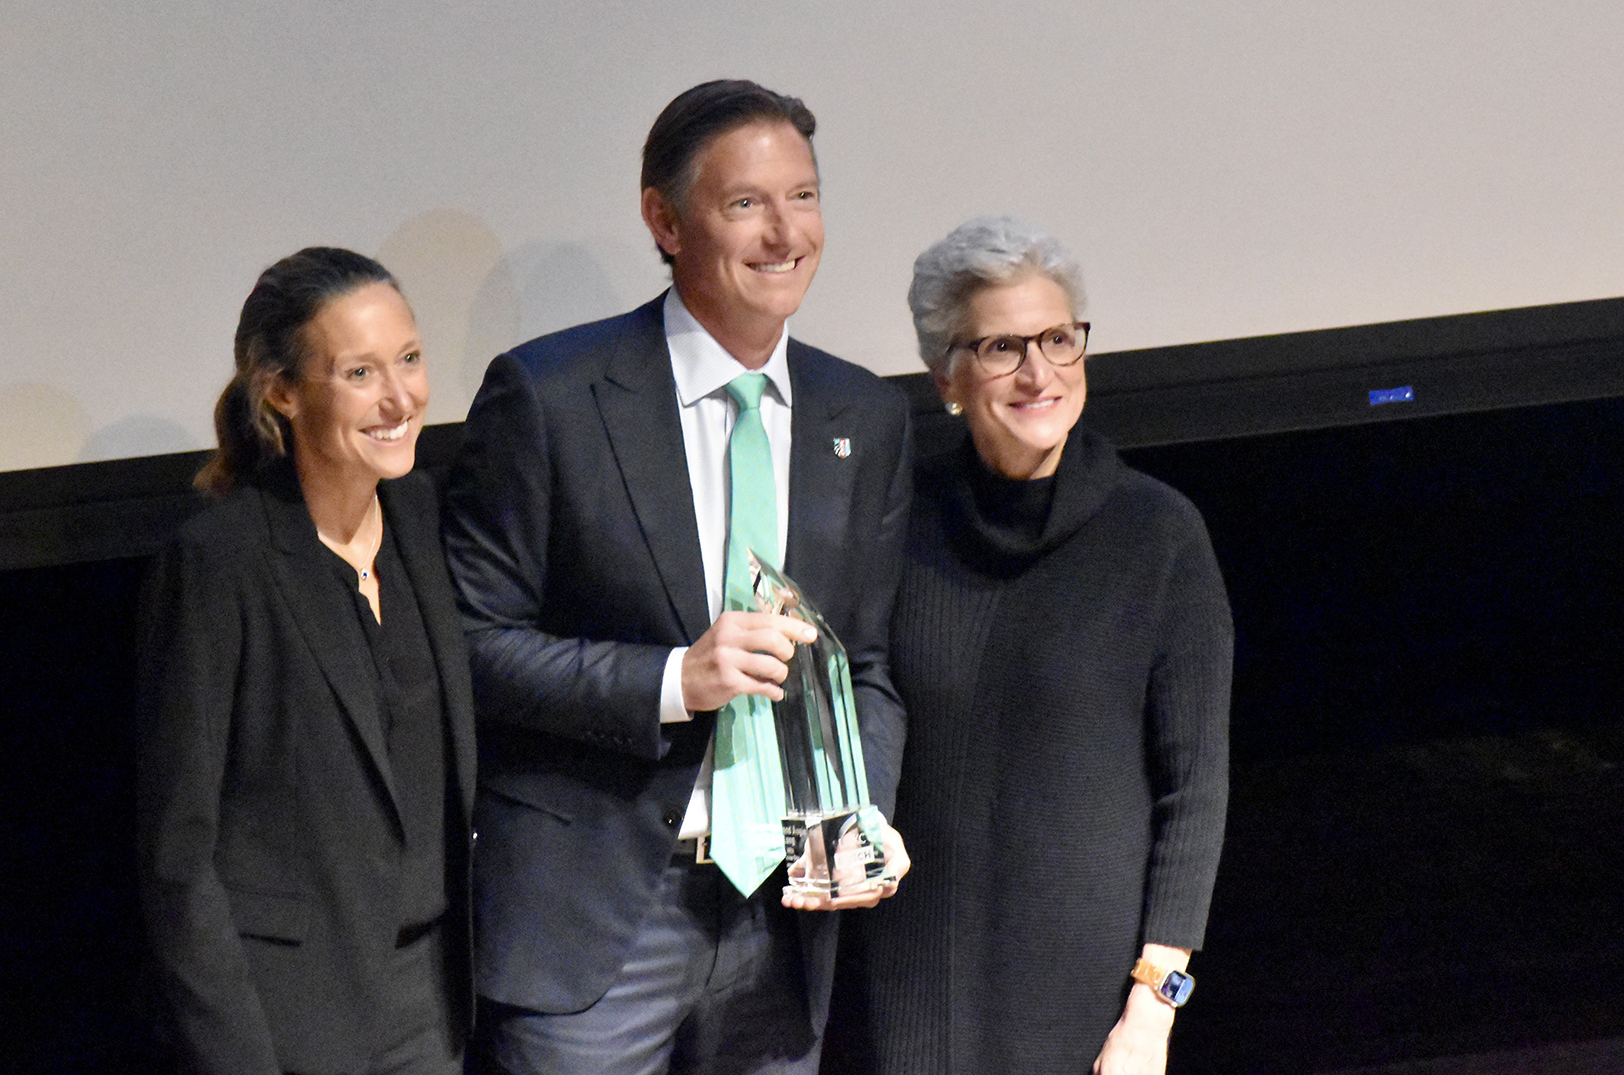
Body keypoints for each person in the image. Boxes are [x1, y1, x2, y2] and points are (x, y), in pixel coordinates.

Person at [442, 80, 912, 1075]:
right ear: (663, 218)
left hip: (782, 914)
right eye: (745, 203)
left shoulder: (858, 415)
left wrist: (855, 808)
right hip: (600, 914)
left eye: (805, 196)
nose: (786, 233)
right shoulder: (552, 396)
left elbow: (862, 662)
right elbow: (471, 646)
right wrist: (672, 680)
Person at [824, 216, 1232, 1075]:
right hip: (912, 973)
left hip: (1091, 1000)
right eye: (1004, 346)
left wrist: (1152, 1013)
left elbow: (1194, 792)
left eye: (1058, 338)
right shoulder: (895, 521)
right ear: (947, 376)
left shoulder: (1158, 534)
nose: (1040, 371)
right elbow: (858, 705)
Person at [136, 247, 476, 1075]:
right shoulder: (220, 561)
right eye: (360, 372)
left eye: (410, 359)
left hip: (432, 1003)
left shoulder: (421, 516)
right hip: (292, 1019)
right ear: (281, 391)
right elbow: (178, 853)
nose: (400, 399)